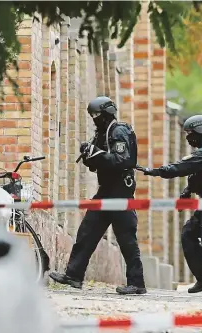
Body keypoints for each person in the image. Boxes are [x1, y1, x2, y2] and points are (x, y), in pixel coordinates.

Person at [49, 96, 146, 295]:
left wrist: (96, 154)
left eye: (97, 115)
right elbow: (96, 165)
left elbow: (121, 160)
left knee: (127, 240)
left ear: (107, 113)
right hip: (105, 191)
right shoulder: (101, 134)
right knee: (86, 232)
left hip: (120, 193)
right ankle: (74, 276)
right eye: (92, 116)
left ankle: (137, 284)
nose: (95, 119)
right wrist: (89, 154)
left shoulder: (119, 131)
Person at [137, 115, 202, 298]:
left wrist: (155, 171)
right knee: (188, 234)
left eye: (190, 133)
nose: (188, 137)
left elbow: (182, 167)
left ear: (199, 131)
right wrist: (187, 191)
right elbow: (199, 174)